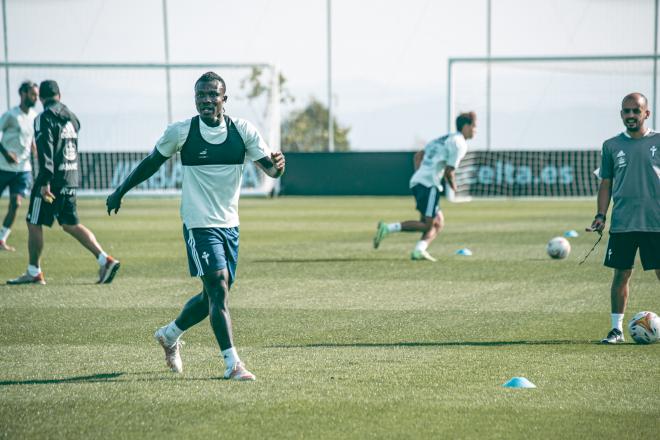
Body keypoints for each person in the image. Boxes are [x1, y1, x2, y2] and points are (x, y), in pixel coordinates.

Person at [105, 72, 285, 381]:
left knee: (213, 295)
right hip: (198, 224)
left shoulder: (242, 131)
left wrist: (278, 166)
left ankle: (170, 334)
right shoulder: (182, 132)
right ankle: (233, 364)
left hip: (230, 225)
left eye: (212, 95)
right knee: (218, 286)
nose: (206, 100)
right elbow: (151, 163)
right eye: (200, 95)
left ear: (223, 100)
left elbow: (270, 169)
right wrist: (120, 190)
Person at [7, 80, 120, 285]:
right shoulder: (72, 117)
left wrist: (44, 181)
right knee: (70, 224)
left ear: (41, 98)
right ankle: (105, 260)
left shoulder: (44, 118)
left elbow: (46, 151)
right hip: (71, 177)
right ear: (59, 95)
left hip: (51, 181)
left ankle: (34, 272)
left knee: (33, 221)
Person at [588, 92, 660, 344]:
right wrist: (600, 215)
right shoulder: (611, 145)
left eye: (635, 111)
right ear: (621, 114)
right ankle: (616, 330)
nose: (631, 115)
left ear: (646, 113)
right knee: (621, 274)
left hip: (656, 222)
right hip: (623, 222)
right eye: (626, 111)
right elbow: (605, 183)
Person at [373, 112, 477, 261]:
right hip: (429, 184)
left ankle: (419, 250)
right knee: (428, 225)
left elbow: (417, 156)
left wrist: (421, 174)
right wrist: (455, 188)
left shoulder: (442, 139)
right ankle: (387, 228)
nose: (475, 130)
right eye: (474, 126)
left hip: (419, 181)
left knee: (438, 222)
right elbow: (449, 171)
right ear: (466, 126)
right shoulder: (459, 143)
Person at [0, 81, 39, 251]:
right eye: (32, 94)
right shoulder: (10, 115)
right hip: (3, 167)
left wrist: (33, 146)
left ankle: (2, 239)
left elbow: (31, 136)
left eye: (37, 95)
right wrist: (6, 153)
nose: (35, 98)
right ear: (22, 94)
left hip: (23, 169)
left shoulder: (34, 116)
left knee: (16, 203)